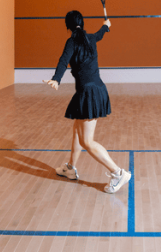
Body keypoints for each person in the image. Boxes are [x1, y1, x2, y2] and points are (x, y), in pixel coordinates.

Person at [43, 10, 131, 194]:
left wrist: (56, 79)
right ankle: (70, 168)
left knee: (87, 142)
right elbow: (100, 34)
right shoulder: (90, 38)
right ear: (82, 23)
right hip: (96, 89)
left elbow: (63, 61)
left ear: (68, 26)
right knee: (77, 129)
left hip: (89, 94)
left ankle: (118, 173)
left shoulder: (72, 41)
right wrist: (106, 26)